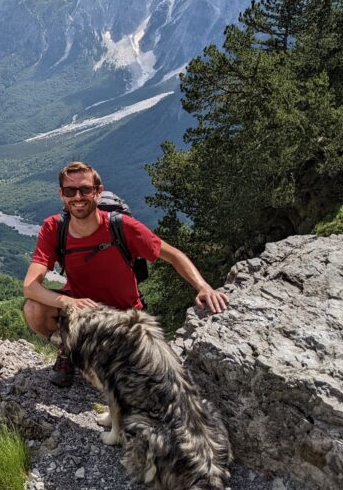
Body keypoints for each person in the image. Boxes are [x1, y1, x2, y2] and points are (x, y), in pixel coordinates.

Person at [22, 161, 229, 386]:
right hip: (82, 312)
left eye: (85, 190)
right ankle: (69, 346)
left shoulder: (123, 227)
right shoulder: (54, 228)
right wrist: (71, 302)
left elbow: (173, 255)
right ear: (61, 194)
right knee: (34, 308)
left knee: (135, 379)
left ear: (98, 192)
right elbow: (30, 286)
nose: (78, 197)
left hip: (125, 316)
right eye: (70, 191)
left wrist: (203, 286)